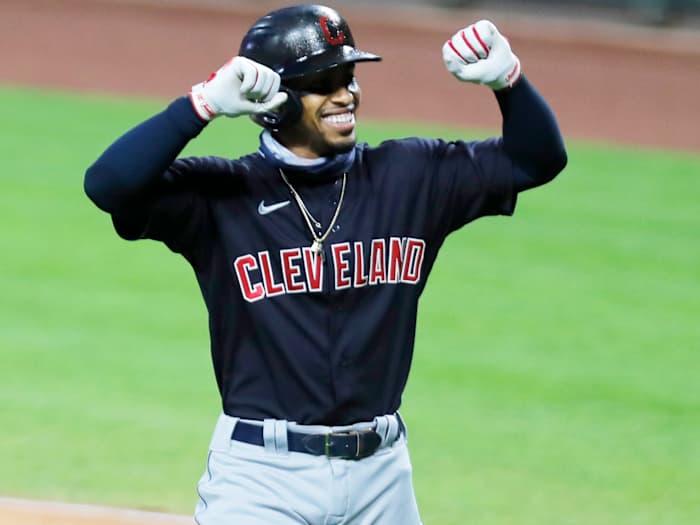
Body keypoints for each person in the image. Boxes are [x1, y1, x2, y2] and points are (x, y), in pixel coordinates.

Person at [84, 4, 567, 524]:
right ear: (271, 100)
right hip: (261, 478)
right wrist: (200, 104)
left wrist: (509, 82)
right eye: (323, 81)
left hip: (382, 475)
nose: (346, 94)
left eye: (349, 77)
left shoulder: (410, 177)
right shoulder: (221, 196)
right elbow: (108, 186)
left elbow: (535, 160)